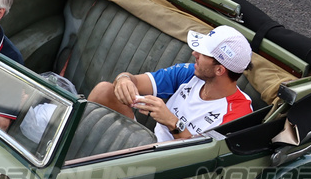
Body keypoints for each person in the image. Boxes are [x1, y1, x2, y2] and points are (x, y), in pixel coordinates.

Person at [88, 26, 253, 143]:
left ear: (219, 70)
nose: (194, 53)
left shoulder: (239, 113)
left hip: (169, 171)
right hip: (145, 143)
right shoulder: (190, 72)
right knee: (104, 91)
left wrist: (173, 123)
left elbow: (201, 161)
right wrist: (124, 79)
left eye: (202, 53)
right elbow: (135, 80)